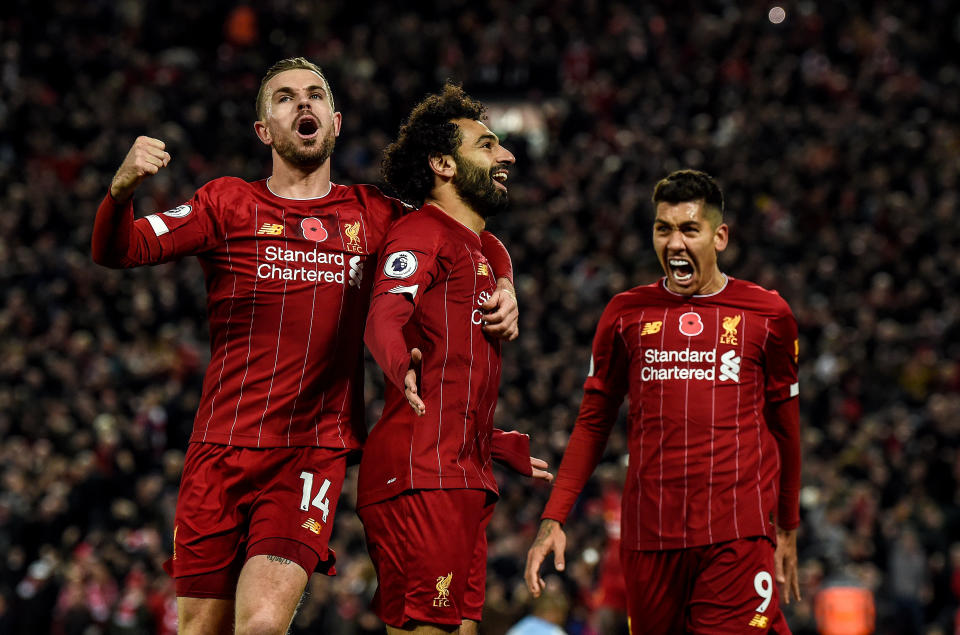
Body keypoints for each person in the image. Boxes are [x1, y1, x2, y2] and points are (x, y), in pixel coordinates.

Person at [90, 57, 519, 634]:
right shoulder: (226, 203)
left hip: (310, 451)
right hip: (219, 444)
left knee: (262, 622)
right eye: (286, 97)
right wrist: (120, 194)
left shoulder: (372, 214)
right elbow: (121, 249)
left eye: (315, 94)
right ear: (264, 130)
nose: (304, 103)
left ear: (335, 121)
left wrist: (506, 281)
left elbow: (459, 230)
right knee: (198, 628)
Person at [524, 169, 802, 634]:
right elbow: (593, 423)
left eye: (689, 229)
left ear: (720, 237)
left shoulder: (767, 315)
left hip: (734, 532)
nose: (675, 243)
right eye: (663, 228)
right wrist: (554, 516)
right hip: (648, 537)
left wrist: (788, 524)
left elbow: (786, 427)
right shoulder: (624, 313)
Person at [358, 83, 552, 634]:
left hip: (462, 472)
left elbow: (496, 265)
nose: (507, 156)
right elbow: (385, 314)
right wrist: (402, 367)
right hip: (421, 471)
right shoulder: (420, 231)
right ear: (443, 164)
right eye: (487, 146)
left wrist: (491, 440)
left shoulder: (487, 249)